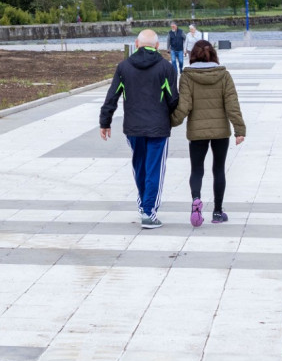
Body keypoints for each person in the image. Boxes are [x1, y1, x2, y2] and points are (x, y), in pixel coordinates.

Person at [100, 29, 178, 228]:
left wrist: (105, 122)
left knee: (140, 166)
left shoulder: (123, 67)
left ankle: (144, 205)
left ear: (136, 44)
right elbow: (173, 99)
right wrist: (171, 115)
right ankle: (148, 212)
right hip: (158, 127)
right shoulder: (166, 67)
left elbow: (112, 96)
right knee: (154, 169)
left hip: (133, 128)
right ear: (158, 46)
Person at [171, 39, 245, 226]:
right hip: (221, 131)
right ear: (213, 54)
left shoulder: (187, 77)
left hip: (197, 132)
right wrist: (239, 130)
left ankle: (196, 200)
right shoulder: (224, 75)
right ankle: (218, 212)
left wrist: (170, 122)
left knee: (197, 170)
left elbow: (185, 105)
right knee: (218, 169)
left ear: (193, 56)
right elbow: (232, 105)